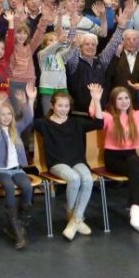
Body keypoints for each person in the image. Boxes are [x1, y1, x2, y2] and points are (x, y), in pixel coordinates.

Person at [92, 81, 139, 238]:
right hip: (113, 158)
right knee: (136, 171)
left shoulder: (138, 115)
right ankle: (138, 214)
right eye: (119, 98)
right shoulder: (109, 117)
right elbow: (95, 115)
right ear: (113, 101)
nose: (124, 101)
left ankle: (136, 211)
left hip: (131, 156)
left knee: (134, 163)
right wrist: (96, 99)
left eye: (126, 98)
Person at [33, 85, 104, 240]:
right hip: (57, 163)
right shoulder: (44, 123)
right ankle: (72, 215)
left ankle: (75, 219)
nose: (63, 109)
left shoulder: (77, 122)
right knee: (74, 178)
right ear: (52, 105)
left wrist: (96, 100)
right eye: (60, 105)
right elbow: (27, 122)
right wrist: (30, 100)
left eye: (66, 106)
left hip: (77, 161)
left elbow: (99, 124)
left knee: (87, 178)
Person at [0, 83, 36, 249]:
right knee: (8, 187)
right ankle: (15, 228)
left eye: (9, 114)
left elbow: (28, 118)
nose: (6, 117)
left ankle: (20, 223)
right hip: (1, 171)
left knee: (27, 187)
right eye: (3, 115)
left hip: (17, 170)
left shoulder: (17, 129)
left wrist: (26, 101)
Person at [105, 29, 139, 109]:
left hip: (137, 104)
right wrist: (116, 56)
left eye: (134, 39)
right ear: (123, 41)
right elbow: (108, 75)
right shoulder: (115, 56)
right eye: (128, 39)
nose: (131, 42)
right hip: (116, 102)